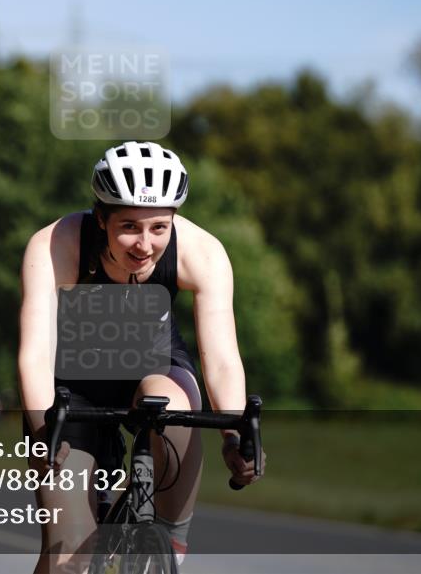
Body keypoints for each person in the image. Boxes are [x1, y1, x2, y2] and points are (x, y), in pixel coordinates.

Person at [18, 141, 266, 573]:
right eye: (129, 226)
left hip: (155, 367)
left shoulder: (202, 251)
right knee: (68, 557)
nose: (145, 245)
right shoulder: (57, 243)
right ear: (101, 219)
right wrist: (44, 432)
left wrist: (234, 434)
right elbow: (36, 353)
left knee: (171, 406)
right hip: (72, 383)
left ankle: (170, 536)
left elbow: (223, 359)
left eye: (159, 228)